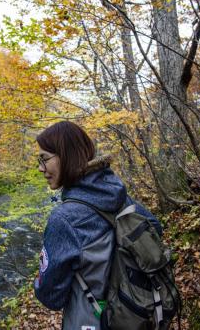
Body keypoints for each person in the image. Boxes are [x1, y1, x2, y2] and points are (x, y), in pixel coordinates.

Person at [34, 121, 162, 329]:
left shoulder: (64, 219)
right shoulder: (118, 196)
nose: (41, 168)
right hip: (136, 314)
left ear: (66, 155)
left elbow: (51, 297)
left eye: (44, 159)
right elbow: (155, 228)